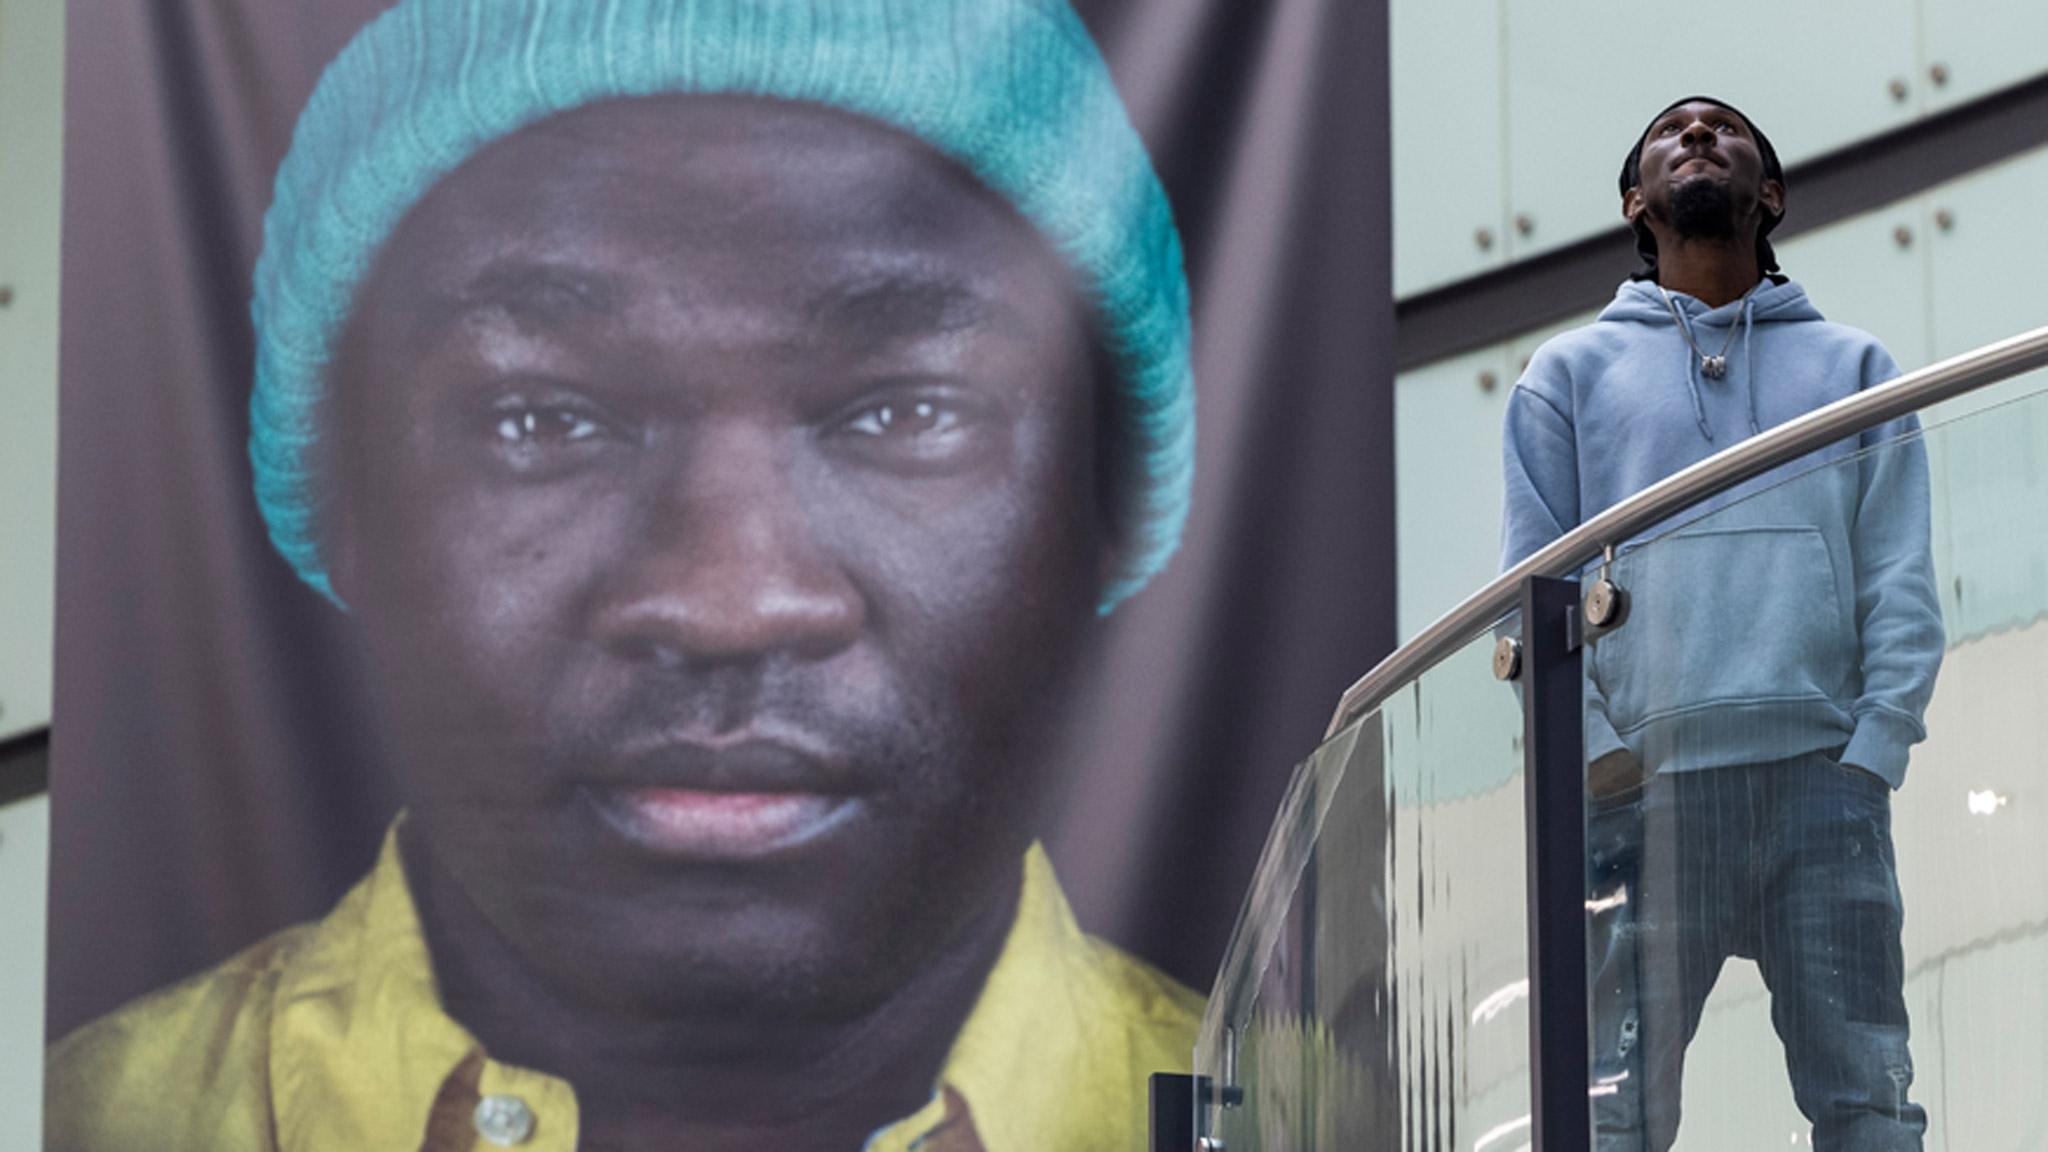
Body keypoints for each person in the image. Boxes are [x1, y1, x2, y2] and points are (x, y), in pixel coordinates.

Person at [46, 3, 1202, 1150]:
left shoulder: (1324, 1120)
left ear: (1104, 508)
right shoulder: (87, 1123)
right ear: (342, 506)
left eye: (906, 410)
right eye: (537, 416)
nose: (726, 601)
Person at [1498, 97, 1945, 1151]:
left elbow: (1901, 582)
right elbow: (1532, 594)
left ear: (1770, 193)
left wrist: (1869, 754)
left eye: (1724, 130)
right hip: (1640, 798)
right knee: (1612, 1118)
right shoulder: (1563, 376)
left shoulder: (1853, 369)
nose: (1697, 137)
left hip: (1818, 788)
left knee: (1868, 1106)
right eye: (1670, 133)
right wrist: (1598, 760)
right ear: (1632, 202)